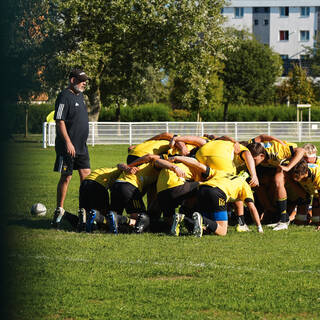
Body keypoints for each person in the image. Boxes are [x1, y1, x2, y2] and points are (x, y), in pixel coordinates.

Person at [51, 68, 91, 228]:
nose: (84, 83)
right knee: (66, 177)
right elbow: (59, 121)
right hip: (67, 147)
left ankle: (84, 211)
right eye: (82, 80)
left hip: (82, 147)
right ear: (72, 80)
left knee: (87, 179)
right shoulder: (64, 96)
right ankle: (59, 210)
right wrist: (68, 142)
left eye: (85, 81)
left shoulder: (80, 96)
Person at [246, 140, 305, 231]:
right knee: (259, 184)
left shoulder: (276, 152)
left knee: (278, 179)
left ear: (262, 156)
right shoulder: (252, 150)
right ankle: (272, 212)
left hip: (291, 161)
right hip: (273, 165)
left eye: (253, 160)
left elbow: (301, 150)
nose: (251, 162)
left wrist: (288, 167)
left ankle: (284, 219)